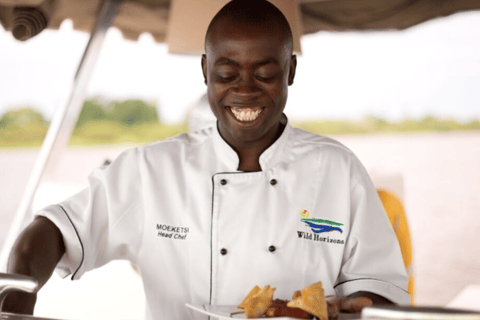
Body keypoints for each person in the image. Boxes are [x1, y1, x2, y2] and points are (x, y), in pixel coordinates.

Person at [4, 1, 410, 319]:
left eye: (265, 72)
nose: (245, 90)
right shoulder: (152, 170)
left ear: (291, 70)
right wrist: (17, 294)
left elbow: (381, 290)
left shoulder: (339, 171)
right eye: (228, 72)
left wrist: (354, 307)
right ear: (205, 69)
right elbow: (52, 229)